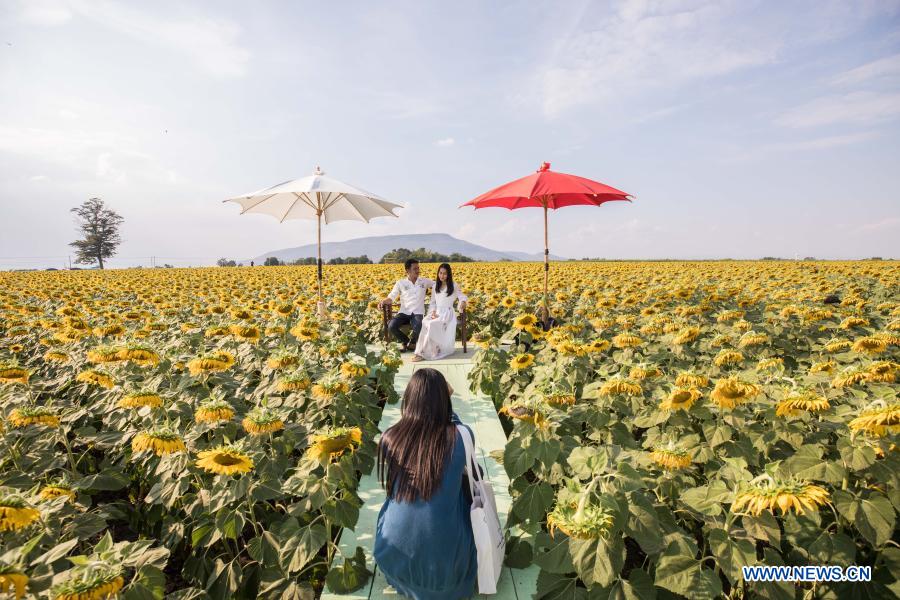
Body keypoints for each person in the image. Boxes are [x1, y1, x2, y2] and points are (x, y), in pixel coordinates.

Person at [374, 368, 478, 600]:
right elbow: (461, 436)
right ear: (445, 399)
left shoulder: (390, 438)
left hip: (392, 564)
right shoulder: (461, 437)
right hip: (450, 579)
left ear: (409, 399)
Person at [412, 263, 467, 362]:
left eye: (445, 273)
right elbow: (433, 302)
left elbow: (462, 296)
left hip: (448, 314)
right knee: (425, 321)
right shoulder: (435, 286)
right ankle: (428, 349)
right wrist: (432, 312)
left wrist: (462, 302)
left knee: (432, 324)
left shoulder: (453, 285)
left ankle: (422, 353)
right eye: (440, 273)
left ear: (449, 274)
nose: (442, 276)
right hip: (437, 312)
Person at [380, 258, 434, 352]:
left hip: (417, 312)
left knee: (419, 325)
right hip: (404, 312)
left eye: (418, 268)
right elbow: (392, 296)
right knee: (391, 326)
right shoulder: (400, 283)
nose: (418, 271)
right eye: (415, 269)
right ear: (408, 270)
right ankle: (408, 342)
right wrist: (383, 301)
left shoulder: (424, 281)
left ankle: (412, 343)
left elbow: (438, 285)